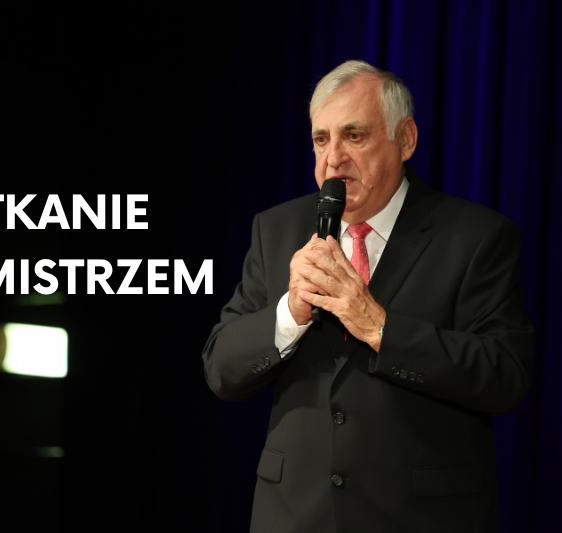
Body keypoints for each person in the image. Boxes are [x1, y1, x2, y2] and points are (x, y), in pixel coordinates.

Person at [202, 60, 533, 533]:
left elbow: (505, 376)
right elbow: (221, 368)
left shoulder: (476, 237)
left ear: (406, 140)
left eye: (353, 136)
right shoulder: (276, 230)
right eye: (321, 140)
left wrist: (380, 328)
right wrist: (290, 314)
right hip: (296, 517)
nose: (333, 159)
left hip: (421, 518)